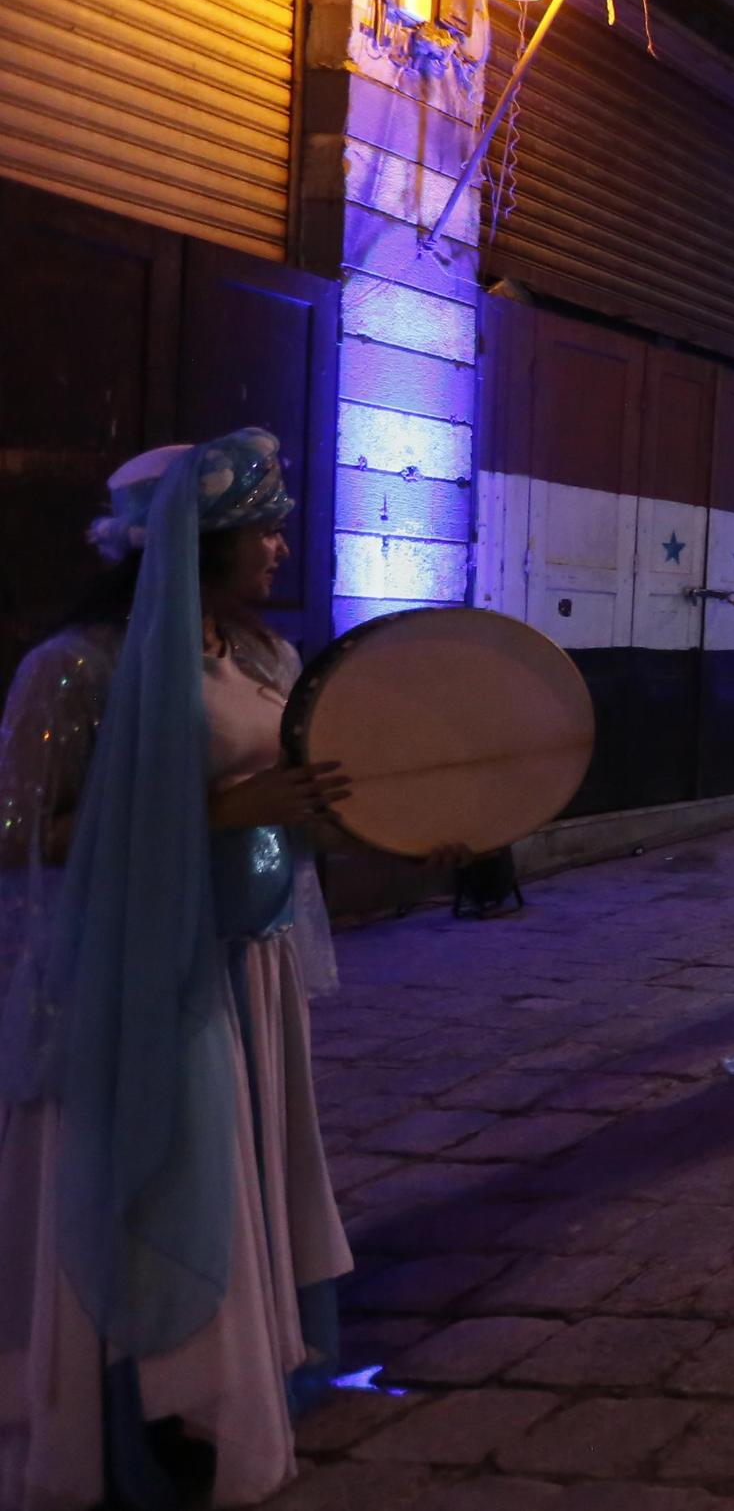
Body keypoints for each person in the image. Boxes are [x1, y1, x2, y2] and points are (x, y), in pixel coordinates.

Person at [0, 430, 359, 1507]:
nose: (283, 546)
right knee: (149, 1173)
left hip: (247, 958)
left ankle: (221, 1391)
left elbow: (298, 799)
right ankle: (131, 1409)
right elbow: (25, 828)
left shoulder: (262, 658)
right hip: (133, 973)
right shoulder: (77, 667)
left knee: (242, 1177)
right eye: (265, 525)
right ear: (200, 538)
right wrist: (211, 812)